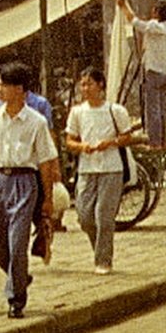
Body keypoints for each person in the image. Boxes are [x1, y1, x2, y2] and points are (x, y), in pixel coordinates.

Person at [0, 63, 59, 319]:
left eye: (3, 85)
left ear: (19, 89)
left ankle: (16, 297)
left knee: (17, 240)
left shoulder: (36, 122)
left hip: (24, 181)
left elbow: (45, 162)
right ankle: (20, 277)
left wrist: (48, 199)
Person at [64, 66, 134, 276]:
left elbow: (127, 136)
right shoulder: (77, 112)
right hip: (87, 168)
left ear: (100, 85)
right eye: (82, 84)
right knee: (85, 215)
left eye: (89, 84)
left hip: (111, 168)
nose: (85, 88)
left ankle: (104, 259)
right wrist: (82, 147)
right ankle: (99, 247)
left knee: (104, 215)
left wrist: (110, 143)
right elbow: (69, 140)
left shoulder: (115, 110)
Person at [116, 0, 166, 147]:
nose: (151, 12)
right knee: (162, 110)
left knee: (153, 111)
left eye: (154, 10)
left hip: (154, 72)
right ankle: (162, 143)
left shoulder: (155, 26)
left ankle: (155, 144)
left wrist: (124, 5)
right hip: (165, 73)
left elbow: (134, 21)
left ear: (157, 13)